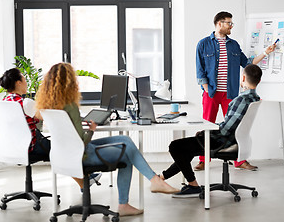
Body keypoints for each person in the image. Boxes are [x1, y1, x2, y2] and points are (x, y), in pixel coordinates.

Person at [35, 63, 179, 216]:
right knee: (127, 154)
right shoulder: (70, 106)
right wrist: (91, 131)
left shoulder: (48, 106)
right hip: (82, 155)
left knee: (125, 139)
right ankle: (134, 197)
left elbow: (70, 138)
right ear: (70, 81)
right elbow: (82, 142)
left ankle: (154, 181)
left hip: (63, 155)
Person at [161, 64, 262, 198]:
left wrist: (206, 131)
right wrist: (211, 127)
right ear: (259, 81)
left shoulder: (241, 100)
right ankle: (162, 177)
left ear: (243, 78)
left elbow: (225, 130)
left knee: (176, 146)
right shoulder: (255, 99)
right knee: (187, 149)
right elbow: (230, 125)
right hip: (235, 140)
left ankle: (193, 186)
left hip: (222, 142)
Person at [194, 11, 276, 171]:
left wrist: (266, 52)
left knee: (236, 127)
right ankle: (204, 159)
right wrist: (206, 90)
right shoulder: (203, 44)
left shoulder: (234, 45)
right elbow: (200, 71)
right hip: (211, 93)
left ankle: (240, 160)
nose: (231, 26)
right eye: (229, 23)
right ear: (219, 23)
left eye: (232, 23)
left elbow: (248, 63)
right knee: (207, 126)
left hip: (230, 93)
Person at [0, 68, 102, 189]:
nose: (26, 81)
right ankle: (84, 183)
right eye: (23, 78)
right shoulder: (25, 102)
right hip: (32, 146)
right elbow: (49, 118)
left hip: (14, 145)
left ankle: (86, 179)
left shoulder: (5, 101)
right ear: (18, 82)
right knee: (63, 150)